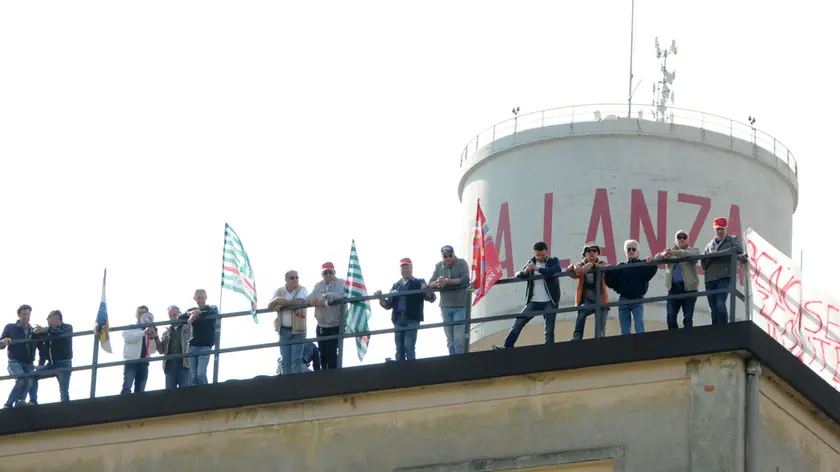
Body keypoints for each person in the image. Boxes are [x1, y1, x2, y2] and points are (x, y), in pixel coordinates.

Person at [493, 241, 561, 349]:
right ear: (534, 253)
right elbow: (518, 275)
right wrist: (525, 271)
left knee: (549, 329)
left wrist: (538, 269)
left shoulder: (553, 261)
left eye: (542, 255)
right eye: (537, 255)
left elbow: (555, 270)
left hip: (549, 300)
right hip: (534, 301)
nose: (540, 257)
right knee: (519, 322)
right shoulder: (531, 262)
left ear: (546, 252)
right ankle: (507, 346)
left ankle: (549, 350)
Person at [375, 258, 436, 361]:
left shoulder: (419, 282)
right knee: (399, 349)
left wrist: (426, 289)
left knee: (408, 346)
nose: (405, 270)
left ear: (411, 268)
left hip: (412, 318)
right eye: (403, 267)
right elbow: (388, 304)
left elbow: (432, 298)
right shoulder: (396, 285)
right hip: (398, 319)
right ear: (400, 270)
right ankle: (400, 373)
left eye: (407, 267)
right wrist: (380, 298)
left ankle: (411, 371)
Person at [604, 240, 657, 335]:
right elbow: (610, 282)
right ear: (625, 252)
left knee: (639, 324)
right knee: (624, 327)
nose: (631, 251)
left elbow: (650, 272)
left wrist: (652, 263)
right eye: (629, 249)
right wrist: (607, 271)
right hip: (624, 299)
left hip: (637, 299)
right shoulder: (620, 267)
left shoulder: (642, 265)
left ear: (638, 252)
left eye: (634, 249)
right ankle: (626, 346)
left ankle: (640, 344)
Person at [701, 217, 746, 324]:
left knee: (720, 303)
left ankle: (724, 327)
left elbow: (738, 249)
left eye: (722, 228)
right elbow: (703, 264)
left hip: (725, 276)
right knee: (712, 308)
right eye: (717, 229)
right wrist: (709, 256)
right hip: (710, 279)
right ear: (714, 229)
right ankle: (715, 331)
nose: (720, 231)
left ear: (726, 228)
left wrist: (719, 253)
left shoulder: (732, 239)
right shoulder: (709, 245)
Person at [654, 229, 700, 329]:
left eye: (684, 237)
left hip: (689, 289)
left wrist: (674, 253)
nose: (682, 239)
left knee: (687, 318)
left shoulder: (693, 250)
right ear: (676, 240)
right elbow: (656, 258)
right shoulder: (669, 252)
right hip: (673, 289)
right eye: (679, 237)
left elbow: (694, 255)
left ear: (688, 240)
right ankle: (675, 341)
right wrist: (663, 255)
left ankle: (688, 340)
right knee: (670, 318)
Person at [429, 245, 470, 355]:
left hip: (460, 305)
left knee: (459, 339)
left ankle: (459, 362)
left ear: (454, 254)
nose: (448, 258)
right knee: (450, 340)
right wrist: (437, 282)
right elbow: (430, 282)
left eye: (450, 255)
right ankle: (453, 361)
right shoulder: (438, 266)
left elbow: (466, 279)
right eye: (445, 256)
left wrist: (447, 281)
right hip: (445, 306)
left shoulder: (462, 263)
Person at [268, 271, 308, 374]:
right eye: (292, 278)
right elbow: (269, 305)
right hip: (284, 330)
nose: (295, 280)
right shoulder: (279, 291)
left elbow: (300, 302)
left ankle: (297, 385)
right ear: (286, 279)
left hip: (298, 331)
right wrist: (277, 300)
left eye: (297, 277)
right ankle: (287, 386)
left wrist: (282, 303)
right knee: (285, 361)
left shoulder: (302, 289)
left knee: (296, 361)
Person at [568, 242, 610, 340]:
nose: (591, 253)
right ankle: (577, 336)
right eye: (588, 251)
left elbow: (608, 267)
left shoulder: (601, 263)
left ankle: (599, 339)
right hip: (587, 300)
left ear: (598, 253)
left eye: (594, 251)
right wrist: (573, 268)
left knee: (600, 327)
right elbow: (575, 273)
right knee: (582, 311)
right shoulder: (581, 264)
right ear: (584, 254)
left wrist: (593, 265)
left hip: (601, 299)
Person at [1, 305, 40, 408]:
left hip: (29, 363)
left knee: (30, 379)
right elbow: (1, 344)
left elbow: (41, 347)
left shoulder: (33, 331)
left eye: (28, 314)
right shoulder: (10, 327)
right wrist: (4, 342)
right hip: (15, 361)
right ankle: (8, 404)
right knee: (22, 379)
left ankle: (20, 401)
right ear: (19, 315)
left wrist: (40, 363)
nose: (26, 316)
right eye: (24, 314)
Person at [308, 262, 345, 370]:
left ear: (334, 272)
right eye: (325, 272)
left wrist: (326, 297)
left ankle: (334, 377)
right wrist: (316, 301)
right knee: (322, 354)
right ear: (322, 274)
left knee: (332, 354)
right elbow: (310, 298)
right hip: (321, 325)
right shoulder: (318, 285)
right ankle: (324, 377)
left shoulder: (341, 283)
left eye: (330, 272)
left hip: (336, 324)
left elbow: (343, 294)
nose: (328, 274)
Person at [178, 289, 219, 385]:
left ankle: (206, 393)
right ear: (195, 299)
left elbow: (213, 313)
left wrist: (198, 313)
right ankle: (195, 396)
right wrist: (191, 314)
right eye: (198, 298)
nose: (201, 300)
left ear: (206, 298)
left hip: (205, 345)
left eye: (202, 297)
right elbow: (180, 317)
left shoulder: (212, 308)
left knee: (201, 373)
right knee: (193, 375)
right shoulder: (192, 310)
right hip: (193, 346)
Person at [32, 310, 74, 403]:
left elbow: (59, 334)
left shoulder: (67, 327)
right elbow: (42, 348)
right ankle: (33, 400)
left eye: (48, 319)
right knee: (32, 375)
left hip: (64, 364)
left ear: (56, 317)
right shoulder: (48, 331)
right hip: (51, 364)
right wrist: (36, 332)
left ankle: (66, 410)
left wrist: (46, 330)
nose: (47, 322)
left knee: (64, 391)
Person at [121, 306, 157, 395]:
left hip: (144, 363)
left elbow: (152, 351)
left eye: (144, 313)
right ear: (136, 315)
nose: (141, 315)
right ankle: (123, 407)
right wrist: (144, 332)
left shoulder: (150, 329)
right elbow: (128, 339)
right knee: (126, 388)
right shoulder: (131, 327)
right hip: (131, 361)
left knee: (140, 391)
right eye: (139, 313)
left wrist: (152, 337)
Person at [157, 305, 192, 388]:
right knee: (170, 393)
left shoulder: (189, 328)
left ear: (179, 314)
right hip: (170, 364)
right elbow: (161, 350)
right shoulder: (166, 333)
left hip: (184, 362)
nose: (173, 317)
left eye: (175, 315)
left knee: (185, 391)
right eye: (171, 315)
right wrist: (155, 337)